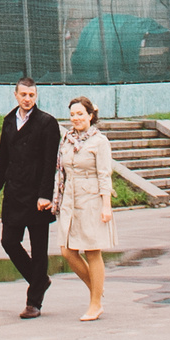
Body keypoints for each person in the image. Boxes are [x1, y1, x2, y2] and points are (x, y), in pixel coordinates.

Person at [0, 77, 61, 318]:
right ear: (15, 95)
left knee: (39, 250)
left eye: (32, 95)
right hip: (14, 193)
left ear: (36, 97)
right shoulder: (8, 121)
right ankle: (39, 280)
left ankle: (33, 303)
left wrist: (44, 195)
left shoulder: (47, 123)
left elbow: (50, 164)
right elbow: (2, 160)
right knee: (8, 241)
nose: (27, 99)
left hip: (38, 197)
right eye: (24, 95)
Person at [53, 95, 118, 322]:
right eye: (72, 115)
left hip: (91, 200)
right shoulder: (67, 140)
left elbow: (104, 175)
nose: (76, 118)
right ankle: (96, 289)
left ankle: (95, 303)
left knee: (92, 251)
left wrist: (106, 205)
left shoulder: (100, 142)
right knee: (67, 251)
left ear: (91, 116)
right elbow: (61, 172)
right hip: (70, 200)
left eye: (80, 114)